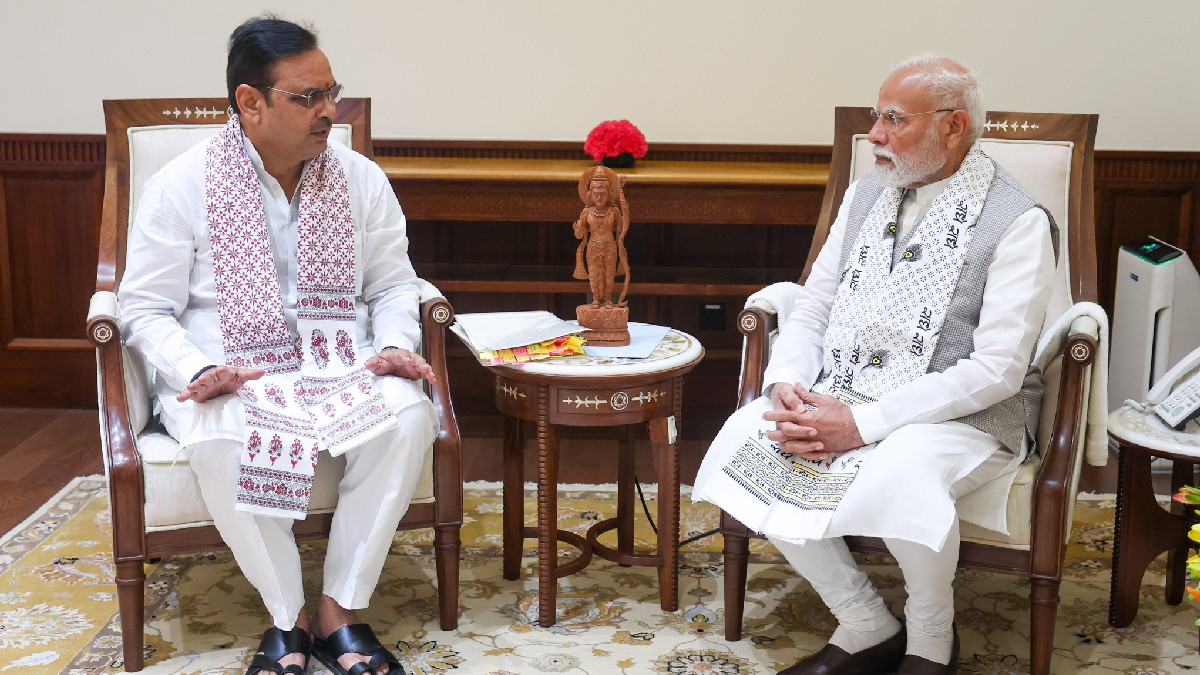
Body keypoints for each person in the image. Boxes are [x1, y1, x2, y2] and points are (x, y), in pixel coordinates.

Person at [693, 54, 1056, 675]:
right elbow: (814, 305)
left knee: (902, 468)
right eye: (875, 117)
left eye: (894, 119)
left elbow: (997, 368)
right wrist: (787, 386)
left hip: (966, 416)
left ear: (953, 126)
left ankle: (931, 642)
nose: (875, 135)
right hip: (845, 389)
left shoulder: (1019, 221)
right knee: (756, 437)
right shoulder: (865, 195)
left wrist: (862, 424)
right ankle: (865, 622)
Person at [118, 16, 435, 675]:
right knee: (218, 434)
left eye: (331, 92)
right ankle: (287, 617)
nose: (329, 111)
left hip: (340, 362)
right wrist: (199, 367)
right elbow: (143, 308)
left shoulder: (360, 179)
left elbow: (393, 284)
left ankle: (340, 609)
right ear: (250, 102)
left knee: (408, 413)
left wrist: (394, 344)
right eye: (308, 97)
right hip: (229, 369)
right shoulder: (181, 184)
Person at [572, 166, 630, 308]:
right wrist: (578, 229)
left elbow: (623, 224)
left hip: (610, 246)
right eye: (596, 194)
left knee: (609, 275)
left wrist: (621, 193)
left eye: (603, 194)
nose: (599, 198)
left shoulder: (613, 211)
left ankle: (608, 299)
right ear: (590, 194)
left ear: (609, 194)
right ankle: (596, 299)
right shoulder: (587, 212)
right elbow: (579, 235)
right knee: (594, 274)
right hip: (593, 247)